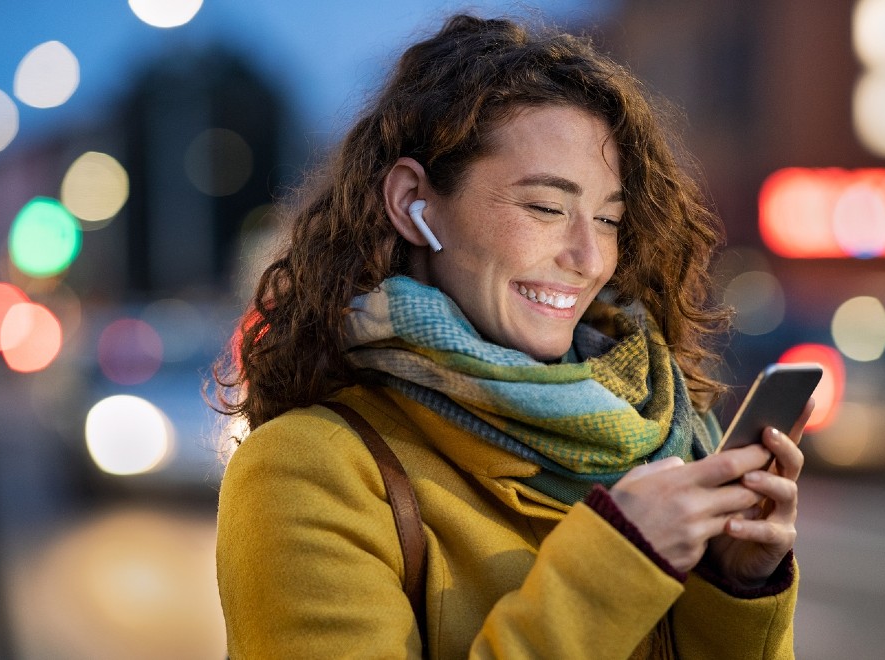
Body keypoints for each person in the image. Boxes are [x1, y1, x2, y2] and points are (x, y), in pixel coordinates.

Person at [214, 13, 810, 659]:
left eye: (608, 219)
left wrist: (733, 582)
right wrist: (618, 561)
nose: (588, 258)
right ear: (413, 201)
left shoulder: (667, 433)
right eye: (545, 208)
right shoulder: (309, 466)